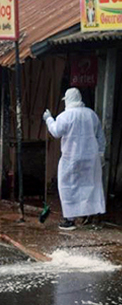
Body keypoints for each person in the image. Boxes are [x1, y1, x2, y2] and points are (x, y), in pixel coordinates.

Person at [43, 88, 105, 230]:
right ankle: (91, 216)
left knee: (68, 187)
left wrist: (49, 119)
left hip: (72, 158)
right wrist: (101, 154)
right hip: (91, 158)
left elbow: (56, 132)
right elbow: (100, 136)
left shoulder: (66, 116)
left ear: (68, 100)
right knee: (89, 186)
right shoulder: (91, 114)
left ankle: (69, 220)